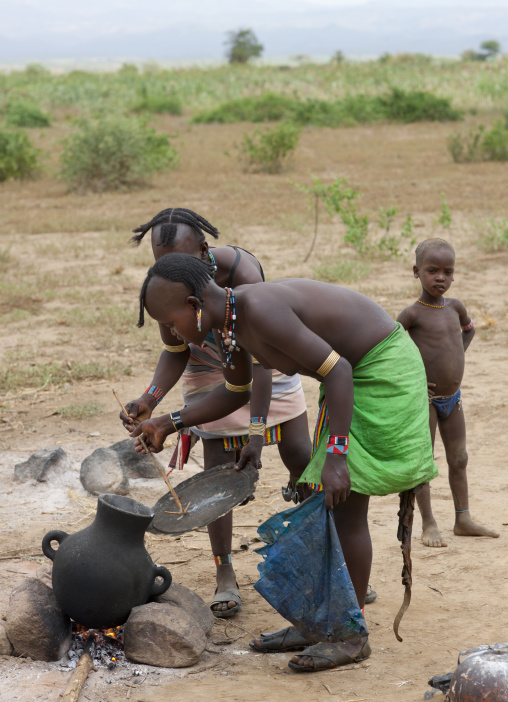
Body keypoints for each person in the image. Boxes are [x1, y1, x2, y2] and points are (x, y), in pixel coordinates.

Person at [130, 253, 438, 672]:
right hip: (350, 377)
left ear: (194, 304)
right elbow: (236, 392)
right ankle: (320, 623)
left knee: (345, 504)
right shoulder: (231, 321)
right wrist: (168, 422)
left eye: (170, 322)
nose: (172, 333)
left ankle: (351, 635)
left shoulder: (258, 309)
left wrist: (337, 455)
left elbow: (339, 369)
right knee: (331, 506)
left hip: (381, 371)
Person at [120, 208, 312, 618]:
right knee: (218, 470)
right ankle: (224, 571)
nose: (169, 272)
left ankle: (317, 554)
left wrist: (258, 431)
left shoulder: (244, 274)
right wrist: (150, 399)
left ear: (204, 251)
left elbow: (260, 364)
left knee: (301, 456)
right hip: (208, 370)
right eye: (161, 265)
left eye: (181, 264)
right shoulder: (165, 287)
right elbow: (176, 350)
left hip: (265, 364)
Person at [397, 238, 499, 548]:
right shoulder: (412, 315)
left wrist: (459, 359)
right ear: (417, 271)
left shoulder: (455, 307)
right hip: (424, 400)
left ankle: (463, 519)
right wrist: (413, 380)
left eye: (448, 271)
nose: (441, 277)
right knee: (424, 461)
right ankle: (428, 523)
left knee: (460, 458)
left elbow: (468, 330)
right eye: (432, 271)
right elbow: (391, 348)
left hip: (453, 399)